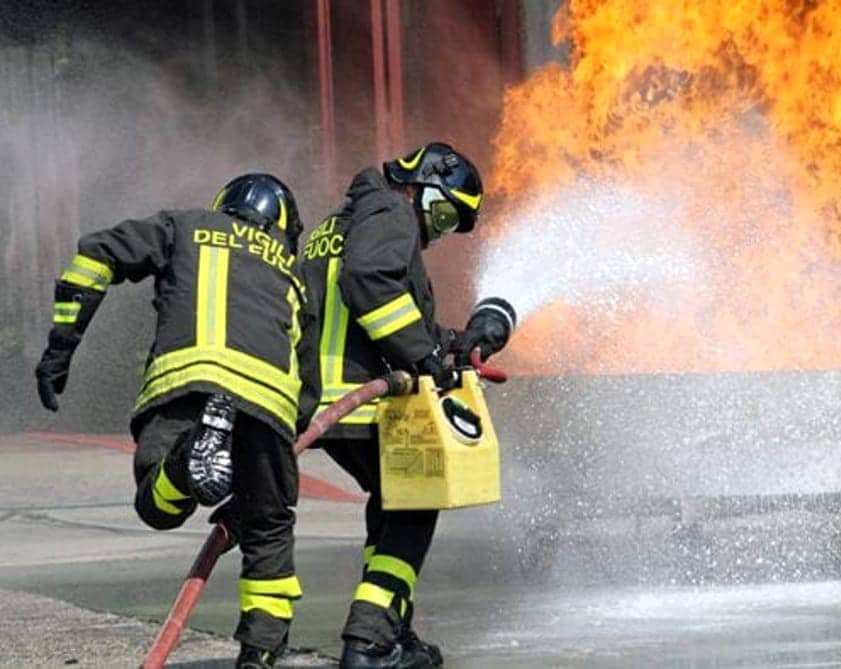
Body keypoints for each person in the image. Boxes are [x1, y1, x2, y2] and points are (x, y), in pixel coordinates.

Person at [34, 173, 310, 669]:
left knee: (158, 506)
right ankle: (260, 651)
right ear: (283, 227)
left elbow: (97, 255)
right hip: (266, 403)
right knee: (269, 525)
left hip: (188, 384)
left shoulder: (184, 226)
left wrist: (61, 346)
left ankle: (186, 464)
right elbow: (306, 378)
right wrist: (267, 471)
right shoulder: (291, 273)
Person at [297, 142, 515, 668]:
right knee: (415, 506)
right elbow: (368, 282)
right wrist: (423, 356)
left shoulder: (346, 221)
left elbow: (378, 308)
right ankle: (368, 643)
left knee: (393, 504)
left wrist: (454, 343)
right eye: (443, 216)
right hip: (358, 398)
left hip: (323, 397)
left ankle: (391, 632)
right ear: (421, 186)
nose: (436, 233)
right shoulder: (390, 210)